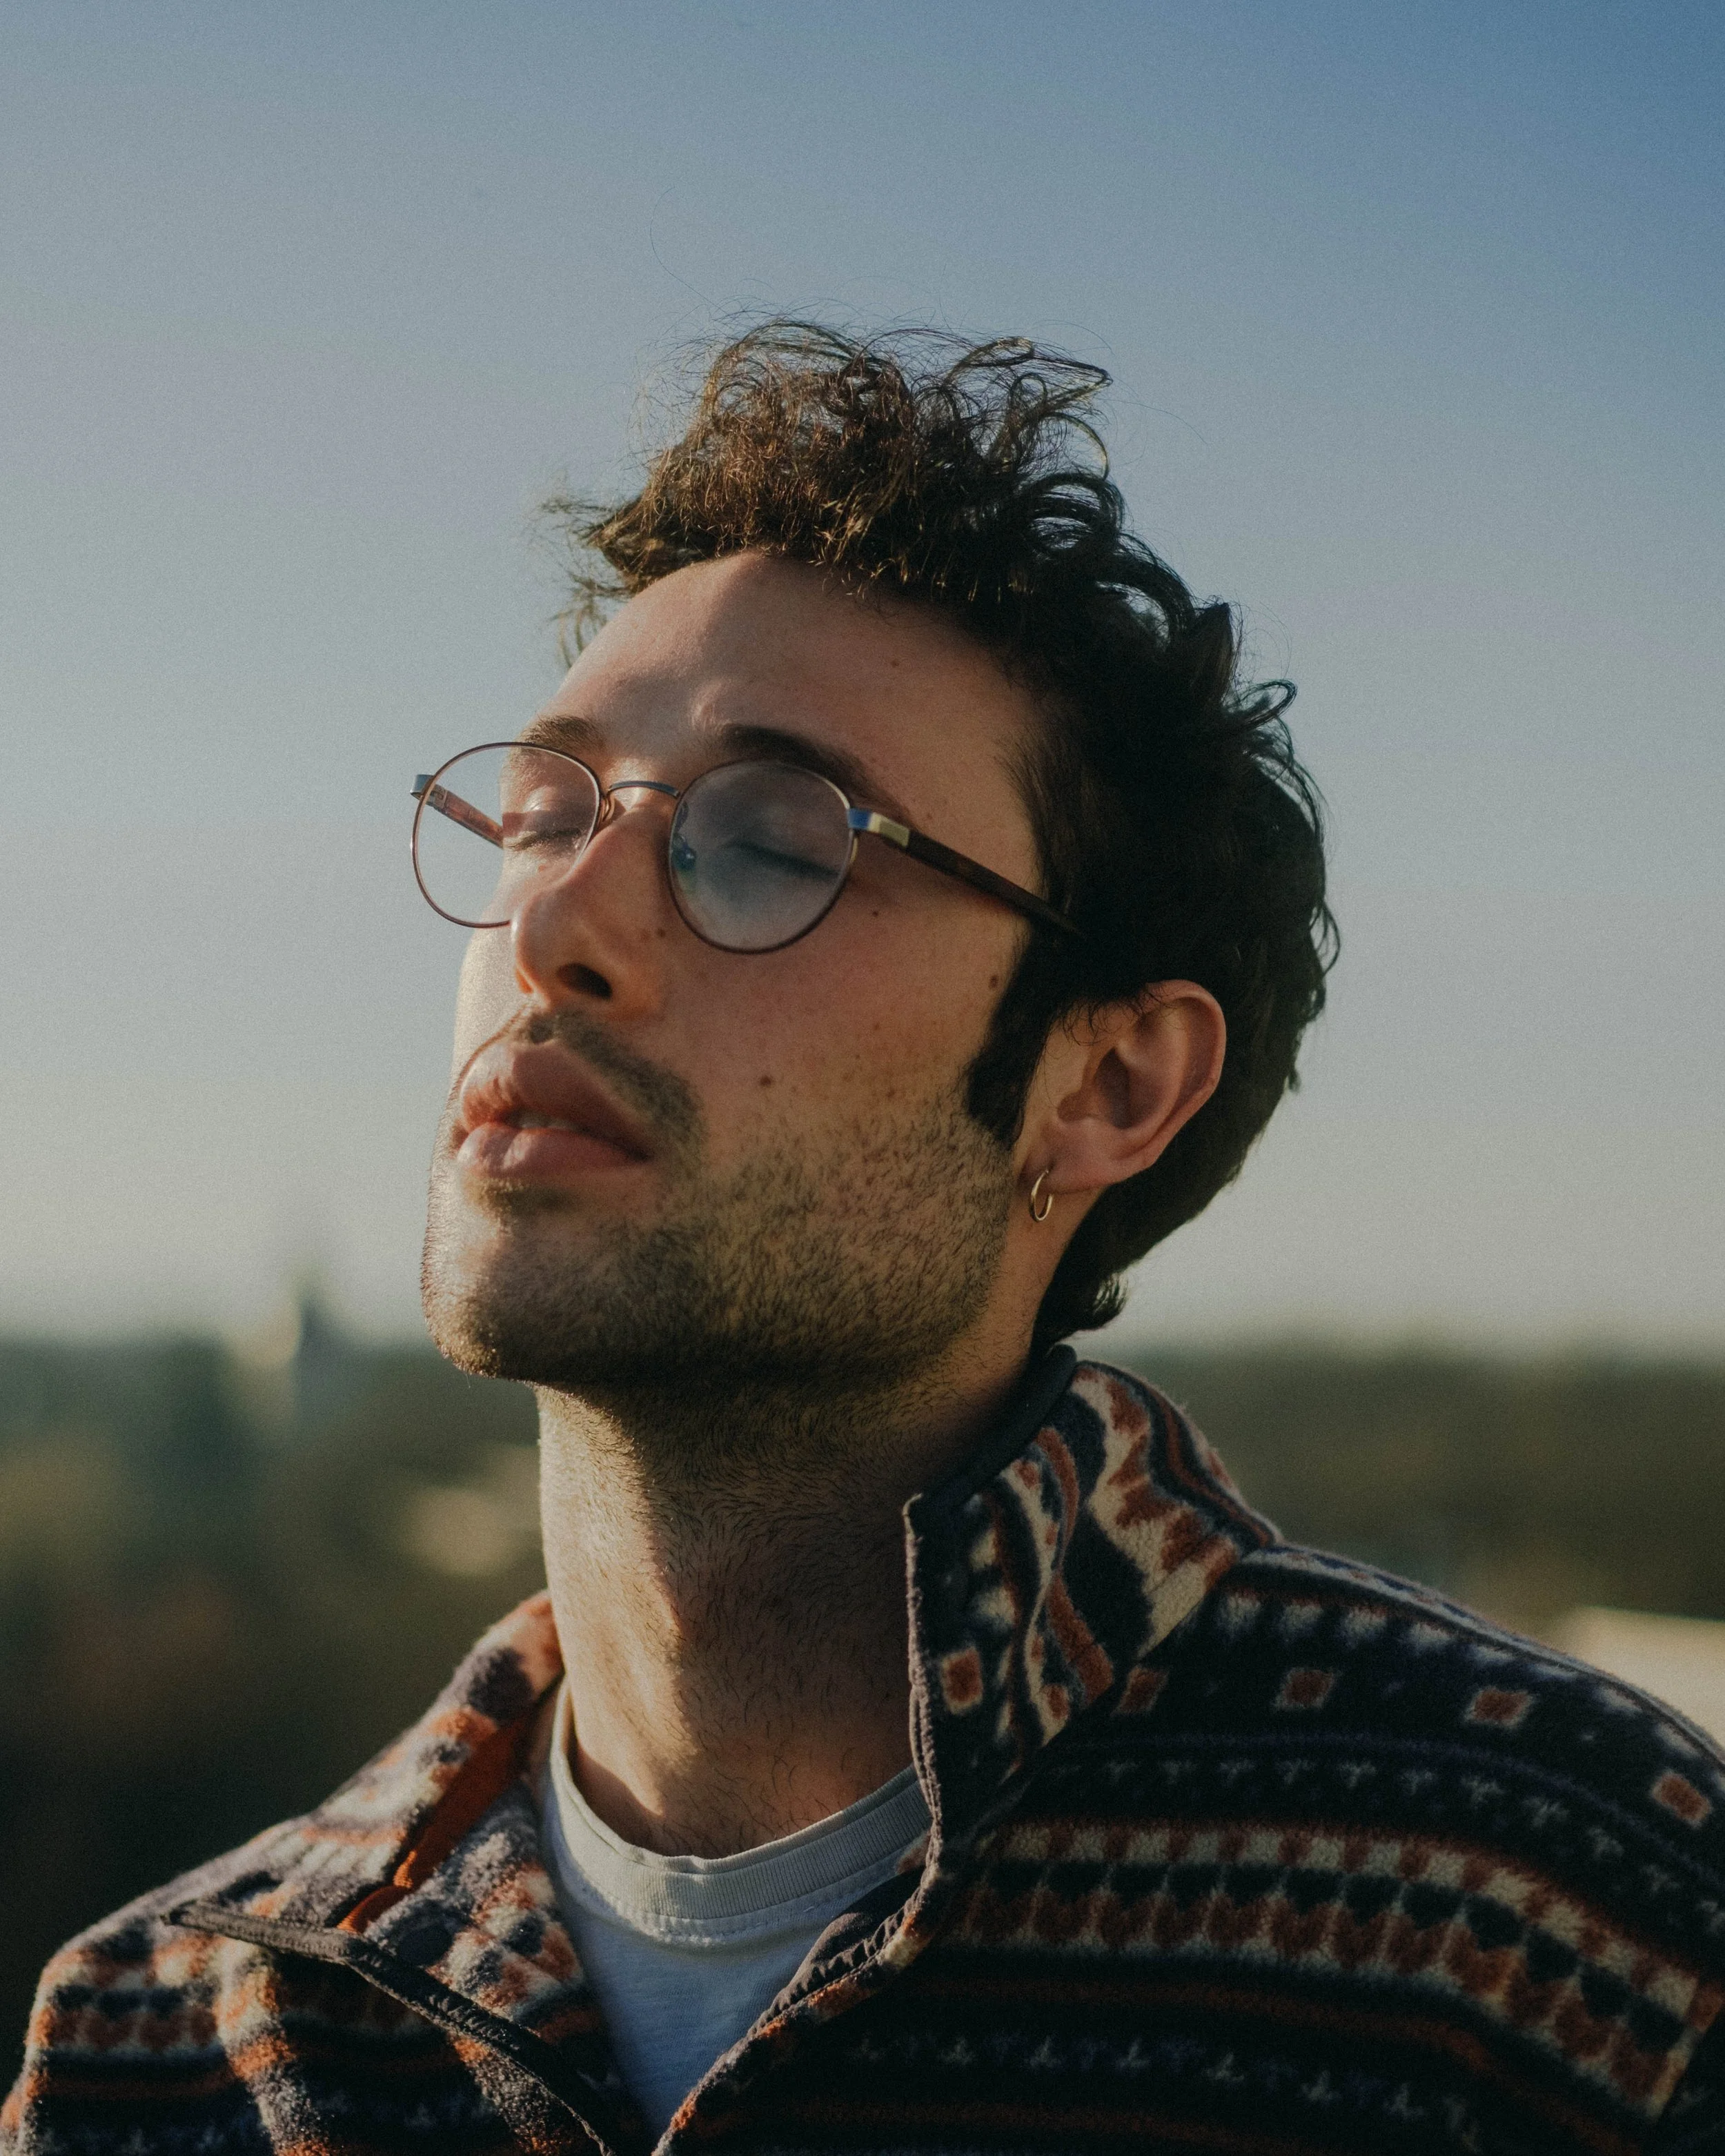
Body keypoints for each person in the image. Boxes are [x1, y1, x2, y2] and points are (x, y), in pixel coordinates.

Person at [8, 324, 1725, 2156]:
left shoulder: (1554, 1925)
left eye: (767, 840)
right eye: (539, 811)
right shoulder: (178, 2037)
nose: (557, 922)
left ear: (1103, 1082)